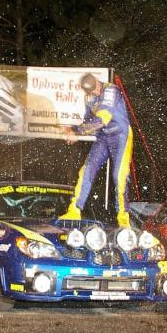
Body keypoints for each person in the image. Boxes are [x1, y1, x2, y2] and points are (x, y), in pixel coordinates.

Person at [59, 73, 133, 228]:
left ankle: (123, 219)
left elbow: (101, 120)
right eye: (92, 92)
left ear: (98, 83)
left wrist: (77, 132)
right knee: (86, 171)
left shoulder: (111, 90)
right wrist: (72, 129)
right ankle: (74, 210)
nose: (95, 93)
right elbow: (89, 121)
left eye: (96, 89)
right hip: (103, 137)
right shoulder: (89, 98)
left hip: (120, 136)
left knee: (118, 177)